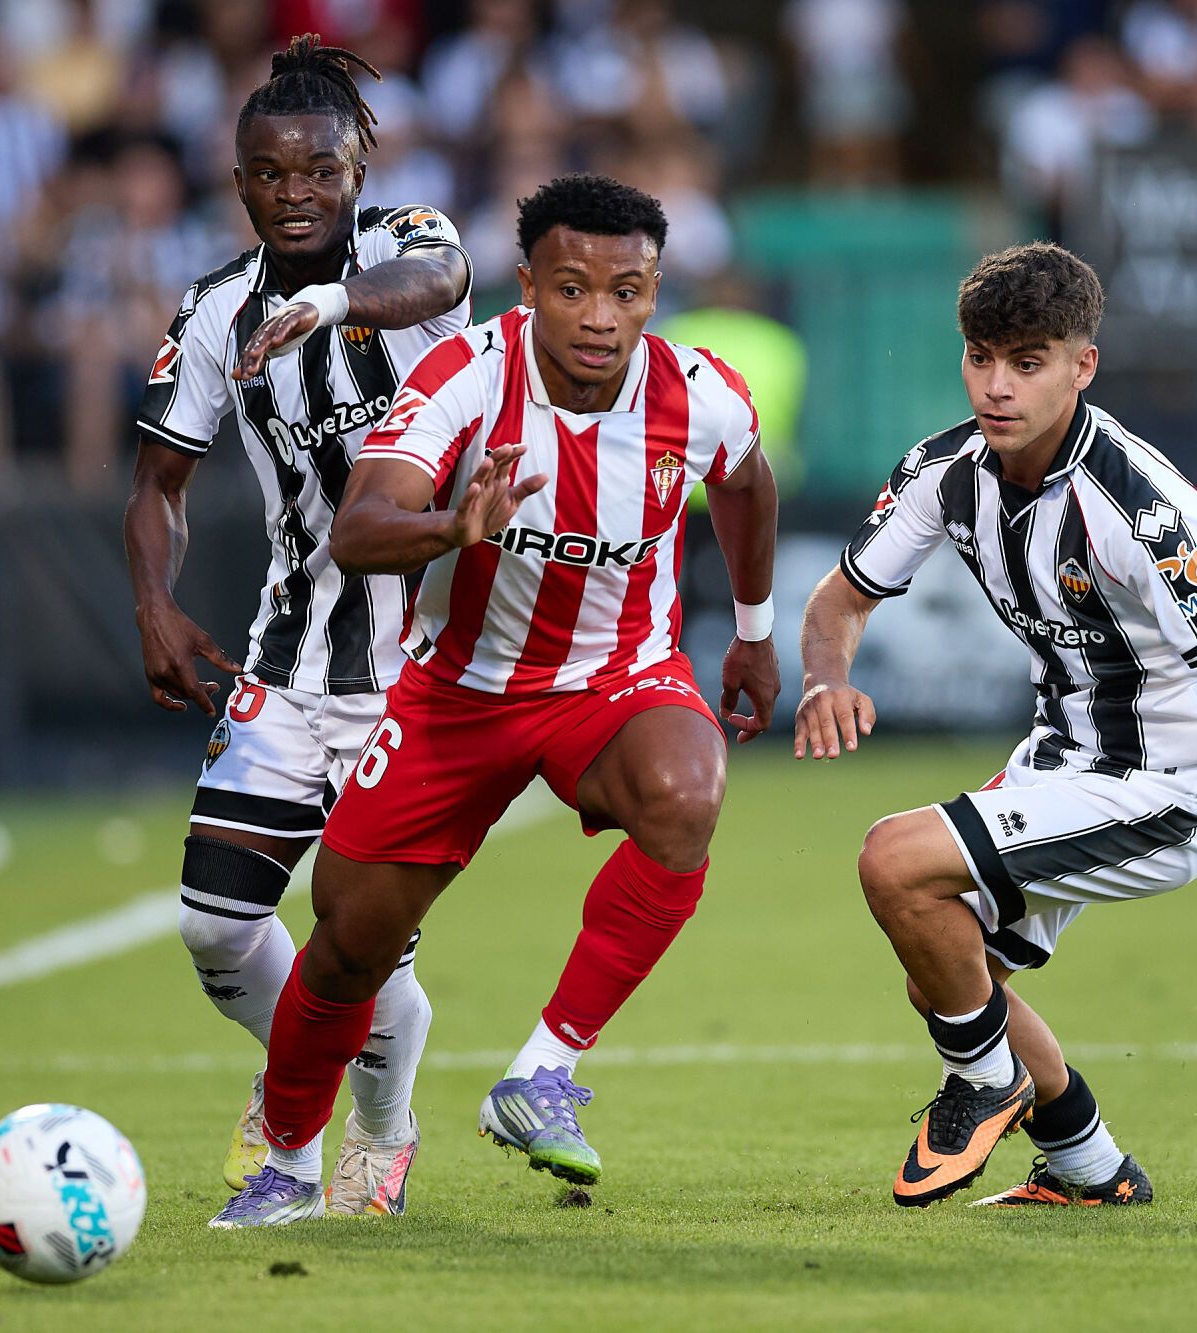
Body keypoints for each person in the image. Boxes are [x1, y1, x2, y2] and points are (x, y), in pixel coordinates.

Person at [210, 173, 781, 1229]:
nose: (600, 316)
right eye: (572, 289)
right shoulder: (468, 376)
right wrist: (450, 529)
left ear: (655, 293)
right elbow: (360, 526)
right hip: (458, 694)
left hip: (616, 679)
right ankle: (287, 1161)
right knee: (349, 942)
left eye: (626, 291)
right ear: (528, 286)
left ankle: (542, 1071)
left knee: (688, 793)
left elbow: (745, 482)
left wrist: (751, 630)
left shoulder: (700, 393)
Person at [794, 242, 1197, 1208]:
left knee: (893, 861)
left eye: (1028, 362)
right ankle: (1091, 1168)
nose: (997, 386)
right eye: (981, 357)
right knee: (942, 966)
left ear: (1083, 366)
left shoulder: (1137, 503)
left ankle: (982, 1082)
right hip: (1060, 758)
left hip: (1168, 787)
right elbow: (840, 599)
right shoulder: (944, 470)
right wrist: (826, 678)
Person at [122, 34, 472, 1220]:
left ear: (358, 169)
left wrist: (328, 302)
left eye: (319, 169)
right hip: (289, 651)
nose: (296, 192)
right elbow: (157, 482)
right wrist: (155, 603)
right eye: (270, 173)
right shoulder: (215, 309)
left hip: (416, 671)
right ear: (238, 183)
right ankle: (313, 1088)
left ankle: (349, 1139)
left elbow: (443, 281)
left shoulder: (406, 245)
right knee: (215, 924)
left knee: (358, 937)